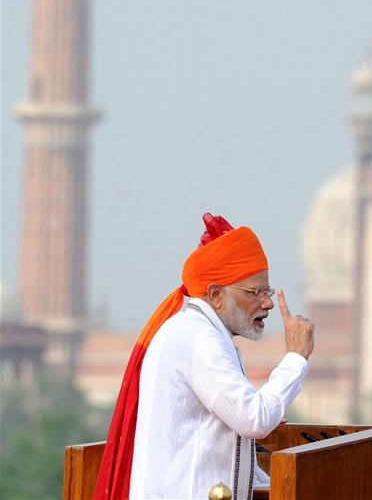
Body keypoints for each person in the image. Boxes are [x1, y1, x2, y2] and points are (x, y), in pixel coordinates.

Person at [94, 213, 315, 500]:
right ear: (216, 294)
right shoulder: (199, 339)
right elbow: (254, 420)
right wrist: (296, 358)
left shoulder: (198, 332)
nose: (268, 302)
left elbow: (227, 437)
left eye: (268, 290)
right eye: (256, 292)